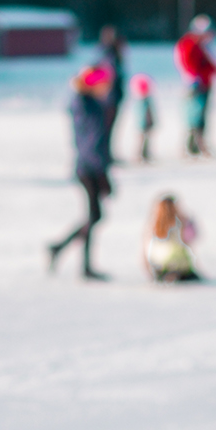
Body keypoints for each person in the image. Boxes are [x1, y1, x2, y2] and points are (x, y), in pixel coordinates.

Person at [48, 65, 115, 281]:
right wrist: (101, 172)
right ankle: (73, 258)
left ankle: (65, 252)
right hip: (89, 168)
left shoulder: (90, 103)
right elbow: (91, 142)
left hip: (90, 166)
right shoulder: (86, 105)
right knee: (94, 215)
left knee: (94, 215)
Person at [174, 15, 216, 156]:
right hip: (195, 86)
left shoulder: (203, 46)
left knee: (201, 116)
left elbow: (211, 65)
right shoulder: (188, 44)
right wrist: (192, 78)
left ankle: (198, 145)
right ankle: (191, 146)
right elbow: (184, 63)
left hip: (204, 85)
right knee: (193, 116)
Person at [143, 194, 199, 283]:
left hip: (159, 267)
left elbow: (144, 252)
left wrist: (149, 271)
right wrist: (188, 221)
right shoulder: (179, 223)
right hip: (180, 267)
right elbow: (192, 237)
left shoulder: (152, 225)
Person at [99, 25, 126, 161]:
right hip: (109, 99)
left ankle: (106, 154)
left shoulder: (109, 55)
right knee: (106, 128)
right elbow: (110, 77)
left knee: (108, 128)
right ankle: (104, 155)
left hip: (112, 97)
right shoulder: (110, 56)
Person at [131, 74, 156, 162]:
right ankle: (140, 155)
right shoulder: (141, 102)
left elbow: (149, 113)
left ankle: (144, 154)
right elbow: (142, 114)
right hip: (142, 125)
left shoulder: (145, 101)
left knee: (145, 141)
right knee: (141, 141)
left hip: (145, 124)